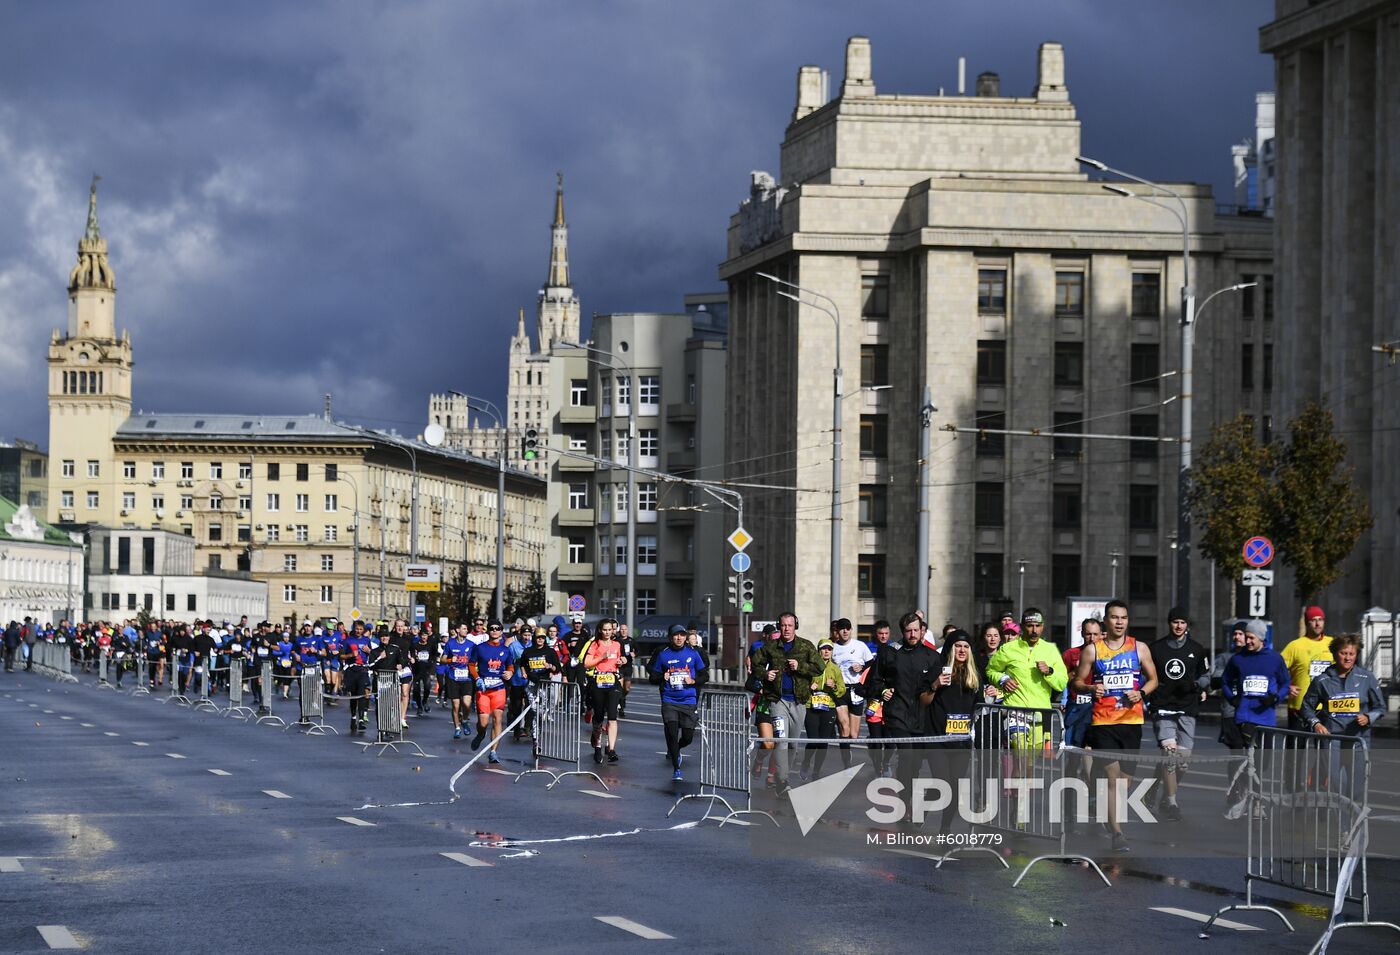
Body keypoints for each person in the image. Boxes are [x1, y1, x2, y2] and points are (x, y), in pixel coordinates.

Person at [1072, 599, 1159, 852]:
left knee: (1125, 782)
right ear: (1106, 621)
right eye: (1114, 617)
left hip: (1131, 722)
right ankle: (1117, 832)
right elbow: (1076, 682)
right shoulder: (1093, 651)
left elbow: (1154, 679)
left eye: (1123, 618)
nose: (1119, 622)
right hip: (1103, 722)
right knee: (1112, 779)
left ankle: (1108, 813)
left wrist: (1141, 692)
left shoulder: (1139, 648)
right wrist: (1090, 687)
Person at [864, 611, 940, 795]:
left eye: (916, 630)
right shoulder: (889, 653)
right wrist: (883, 691)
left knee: (916, 760)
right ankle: (905, 799)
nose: (913, 635)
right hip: (898, 713)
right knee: (906, 756)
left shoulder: (932, 656)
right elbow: (873, 681)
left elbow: (941, 685)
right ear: (902, 632)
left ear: (922, 631)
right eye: (908, 631)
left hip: (922, 716)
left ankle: (910, 792)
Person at [1221, 619, 1290, 817]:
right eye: (1247, 637)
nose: (1247, 641)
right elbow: (1225, 681)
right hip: (1245, 716)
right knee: (1250, 761)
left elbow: (1286, 682)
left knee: (1263, 763)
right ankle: (1253, 800)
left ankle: (1249, 794)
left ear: (1261, 638)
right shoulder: (1238, 659)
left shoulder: (1275, 659)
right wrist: (1233, 698)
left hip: (1266, 717)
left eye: (1251, 637)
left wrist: (1276, 697)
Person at [751, 612, 823, 794]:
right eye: (783, 625)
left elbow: (819, 668)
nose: (786, 629)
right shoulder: (771, 647)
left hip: (799, 701)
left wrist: (801, 667)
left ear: (795, 626)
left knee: (792, 745)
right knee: (781, 741)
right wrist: (765, 675)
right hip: (778, 701)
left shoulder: (805, 646)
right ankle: (782, 781)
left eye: (790, 625)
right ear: (779, 626)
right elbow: (755, 663)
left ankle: (782, 774)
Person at [1149, 607, 1210, 822]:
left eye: (1182, 622)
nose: (1178, 626)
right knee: (1170, 756)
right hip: (1163, 706)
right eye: (1175, 622)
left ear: (1187, 625)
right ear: (1169, 623)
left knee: (1183, 761)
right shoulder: (1156, 649)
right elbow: (1147, 674)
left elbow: (1206, 675)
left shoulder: (1198, 649)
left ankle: (1160, 787)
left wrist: (1199, 685)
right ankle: (1172, 801)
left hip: (1187, 707)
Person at [922, 629, 979, 834]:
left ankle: (945, 828)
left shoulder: (974, 673)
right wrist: (935, 684)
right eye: (958, 646)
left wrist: (991, 695)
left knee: (955, 786)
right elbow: (924, 700)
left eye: (965, 646)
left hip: (961, 740)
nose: (962, 650)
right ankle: (923, 811)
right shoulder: (939, 668)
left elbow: (980, 704)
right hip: (938, 737)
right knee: (942, 782)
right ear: (951, 648)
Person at [650, 624, 707, 780]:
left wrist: (693, 680)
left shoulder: (693, 654)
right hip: (669, 700)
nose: (679, 638)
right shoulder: (663, 655)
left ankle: (678, 749)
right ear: (670, 637)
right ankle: (677, 769)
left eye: (682, 635)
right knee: (672, 734)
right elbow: (652, 677)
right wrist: (663, 677)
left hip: (688, 700)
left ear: (686, 637)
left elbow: (705, 675)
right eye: (676, 635)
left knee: (687, 737)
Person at [984, 608, 1067, 711]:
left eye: (1038, 626)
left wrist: (1049, 672)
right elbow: (990, 670)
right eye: (1030, 626)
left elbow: (1062, 683)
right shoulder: (1008, 648)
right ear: (1022, 626)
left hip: (1041, 713)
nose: (1034, 630)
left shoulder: (1050, 650)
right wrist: (1003, 680)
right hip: (1015, 713)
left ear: (1043, 626)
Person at [799, 639, 846, 780]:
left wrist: (833, 687)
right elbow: (800, 687)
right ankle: (806, 762)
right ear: (818, 650)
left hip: (828, 707)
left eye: (829, 649)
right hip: (811, 707)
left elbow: (842, 690)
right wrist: (809, 687)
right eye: (824, 648)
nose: (826, 651)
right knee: (813, 740)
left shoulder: (835, 668)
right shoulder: (810, 666)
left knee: (823, 742)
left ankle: (816, 771)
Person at [1282, 606, 1335, 731]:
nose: (1317, 624)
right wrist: (1286, 686)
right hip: (1299, 707)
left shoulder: (1332, 644)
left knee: (1324, 749)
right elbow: (1276, 669)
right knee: (1295, 749)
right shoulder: (1295, 646)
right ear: (1307, 623)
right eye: (1313, 620)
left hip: (1325, 707)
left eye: (1320, 619)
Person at [583, 618, 628, 763]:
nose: (608, 632)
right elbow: (586, 664)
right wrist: (601, 657)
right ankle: (597, 746)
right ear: (600, 630)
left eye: (610, 630)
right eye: (605, 630)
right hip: (598, 682)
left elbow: (620, 660)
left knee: (613, 717)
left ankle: (612, 749)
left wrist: (623, 661)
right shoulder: (595, 644)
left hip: (613, 681)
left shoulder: (617, 644)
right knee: (599, 717)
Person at [468, 622, 515, 764]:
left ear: (501, 632)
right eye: (492, 629)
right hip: (483, 689)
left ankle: (493, 752)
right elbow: (471, 665)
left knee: (497, 719)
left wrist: (510, 673)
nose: (494, 631)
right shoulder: (480, 648)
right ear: (488, 631)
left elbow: (510, 665)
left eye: (497, 629)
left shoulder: (506, 650)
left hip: (499, 688)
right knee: (483, 723)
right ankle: (481, 735)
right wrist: (477, 679)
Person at [830, 619, 873, 766]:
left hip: (856, 689)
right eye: (842, 629)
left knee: (853, 735)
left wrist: (861, 667)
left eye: (848, 628)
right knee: (844, 727)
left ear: (851, 630)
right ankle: (846, 763)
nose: (845, 631)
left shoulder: (860, 646)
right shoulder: (833, 648)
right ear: (837, 631)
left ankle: (848, 748)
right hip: (840, 689)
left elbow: (871, 663)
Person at [519, 628, 562, 740]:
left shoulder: (550, 651)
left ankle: (537, 734)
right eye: (538, 637)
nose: (540, 640)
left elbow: (558, 667)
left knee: (540, 711)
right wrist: (524, 672)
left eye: (542, 638)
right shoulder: (528, 651)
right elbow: (522, 663)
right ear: (535, 638)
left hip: (545, 685)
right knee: (534, 709)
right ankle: (534, 734)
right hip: (532, 685)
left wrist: (551, 667)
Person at [340, 620, 374, 735]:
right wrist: (350, 655)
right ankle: (353, 717)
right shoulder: (348, 640)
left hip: (363, 669)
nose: (359, 631)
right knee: (354, 696)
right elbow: (341, 655)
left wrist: (368, 651)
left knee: (362, 694)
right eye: (357, 629)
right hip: (351, 670)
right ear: (354, 629)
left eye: (360, 629)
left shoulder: (366, 640)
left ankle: (361, 719)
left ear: (363, 630)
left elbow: (372, 654)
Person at [507, 625, 532, 740]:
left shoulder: (533, 645)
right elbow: (508, 662)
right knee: (517, 706)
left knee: (530, 705)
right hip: (517, 680)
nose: (527, 638)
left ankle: (527, 728)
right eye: (525, 635)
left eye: (529, 635)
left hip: (529, 680)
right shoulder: (514, 646)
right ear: (520, 635)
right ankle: (517, 729)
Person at [410, 626, 438, 718]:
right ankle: (419, 707)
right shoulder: (415, 645)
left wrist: (432, 672)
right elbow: (412, 655)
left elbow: (434, 657)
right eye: (422, 635)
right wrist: (413, 658)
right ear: (420, 636)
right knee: (416, 689)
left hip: (427, 670)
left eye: (425, 635)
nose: (424, 637)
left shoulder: (431, 645)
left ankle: (425, 701)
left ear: (427, 636)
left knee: (427, 687)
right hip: (417, 670)